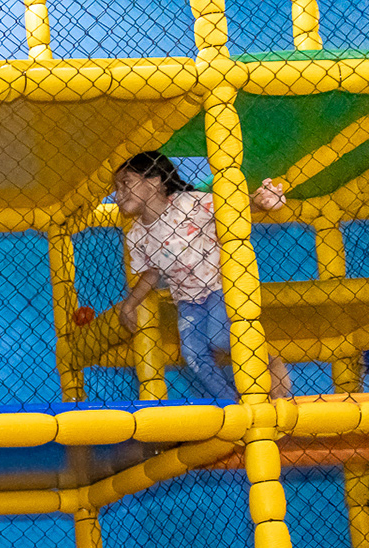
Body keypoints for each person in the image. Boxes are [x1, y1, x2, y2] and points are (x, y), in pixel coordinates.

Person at [112, 150, 292, 400]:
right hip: (187, 301)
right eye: (116, 188)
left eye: (126, 183)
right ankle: (231, 403)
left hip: (219, 288)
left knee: (220, 338)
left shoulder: (190, 203)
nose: (119, 194)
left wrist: (260, 202)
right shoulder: (137, 235)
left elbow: (231, 208)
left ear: (153, 181)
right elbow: (151, 273)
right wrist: (129, 304)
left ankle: (269, 365)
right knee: (193, 354)